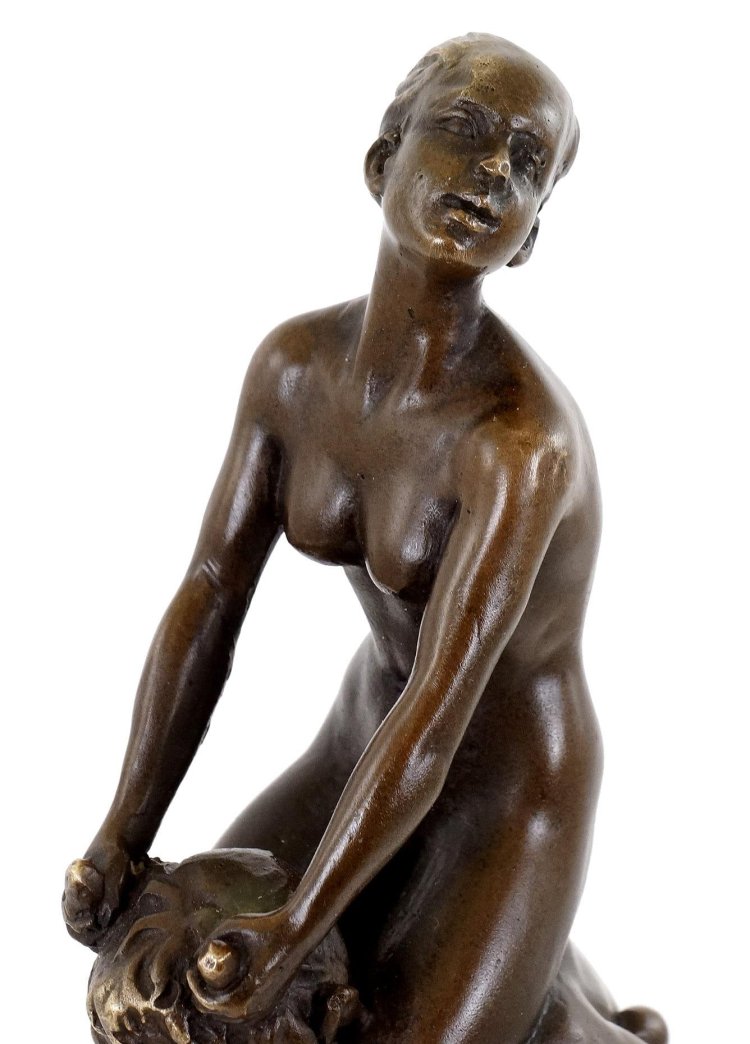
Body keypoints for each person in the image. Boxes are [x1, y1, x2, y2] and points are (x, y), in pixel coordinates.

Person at [64, 34, 666, 1044]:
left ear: (527, 239)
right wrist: (122, 834)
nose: (492, 172)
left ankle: (565, 1013)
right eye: (464, 129)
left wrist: (298, 927)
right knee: (175, 992)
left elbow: (442, 708)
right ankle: (536, 986)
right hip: (367, 738)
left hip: (509, 788)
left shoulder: (517, 445)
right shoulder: (294, 368)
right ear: (382, 161)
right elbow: (210, 594)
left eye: (527, 162)